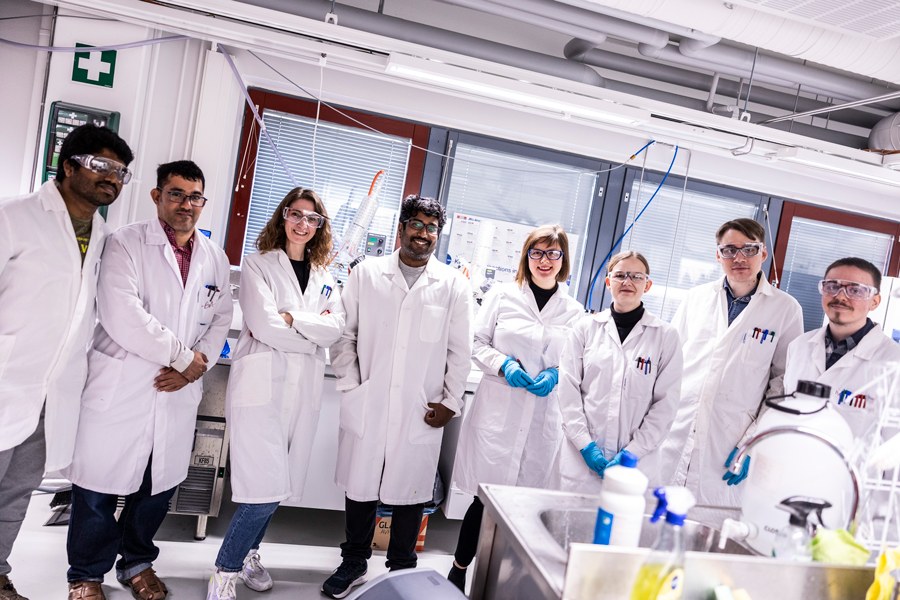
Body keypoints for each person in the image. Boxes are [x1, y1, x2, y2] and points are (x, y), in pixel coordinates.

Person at [64, 161, 232, 600]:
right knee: (97, 490)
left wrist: (199, 362)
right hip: (124, 386)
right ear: (156, 196)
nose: (186, 204)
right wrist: (183, 359)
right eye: (176, 194)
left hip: (177, 391)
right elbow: (123, 314)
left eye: (195, 197)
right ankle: (85, 574)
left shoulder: (215, 257)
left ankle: (137, 562)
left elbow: (221, 319)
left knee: (157, 488)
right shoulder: (125, 243)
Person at [0, 125, 133, 600]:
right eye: (101, 166)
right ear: (69, 163)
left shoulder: (101, 234)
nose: (112, 178)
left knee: (16, 493)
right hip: (6, 380)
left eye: (120, 172)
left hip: (51, 390)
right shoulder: (15, 217)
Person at [322, 195, 473, 599]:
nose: (423, 234)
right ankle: (353, 560)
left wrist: (450, 401)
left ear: (437, 235)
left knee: (411, 487)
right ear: (402, 227)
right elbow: (345, 336)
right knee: (361, 483)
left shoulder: (454, 284)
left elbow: (461, 351)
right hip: (369, 396)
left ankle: (402, 567)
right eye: (416, 225)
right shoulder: (366, 274)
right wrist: (353, 387)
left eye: (431, 228)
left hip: (421, 404)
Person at [206, 188, 345, 600]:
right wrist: (310, 334)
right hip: (261, 389)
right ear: (283, 217)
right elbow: (264, 326)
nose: (303, 224)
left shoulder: (325, 277)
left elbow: (336, 328)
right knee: (263, 490)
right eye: (296, 214)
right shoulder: (257, 265)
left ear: (320, 226)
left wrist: (294, 320)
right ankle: (223, 573)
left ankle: (250, 554)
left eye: (312, 218)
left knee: (278, 486)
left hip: (300, 392)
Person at [447, 225, 584, 591]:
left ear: (563, 260)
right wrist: (503, 364)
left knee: (524, 507)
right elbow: (475, 342)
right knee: (484, 499)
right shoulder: (503, 295)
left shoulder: (573, 309)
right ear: (526, 257)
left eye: (553, 254)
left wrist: (557, 372)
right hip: (499, 412)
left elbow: (578, 360)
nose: (544, 261)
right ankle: (458, 570)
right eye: (536, 253)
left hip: (542, 417)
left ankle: (507, 581)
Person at [658, 218, 803, 509]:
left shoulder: (785, 309)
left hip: (731, 441)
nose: (739, 258)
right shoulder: (696, 298)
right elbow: (669, 364)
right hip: (677, 430)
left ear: (763, 253)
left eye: (749, 249)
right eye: (729, 250)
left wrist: (755, 442)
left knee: (709, 532)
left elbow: (783, 386)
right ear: (718, 255)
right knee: (656, 522)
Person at [557, 250, 682, 494]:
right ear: (608, 282)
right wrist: (585, 445)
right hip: (581, 460)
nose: (627, 282)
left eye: (636, 276)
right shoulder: (585, 328)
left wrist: (632, 453)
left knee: (623, 529)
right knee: (570, 529)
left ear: (648, 284)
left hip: (636, 465)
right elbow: (568, 390)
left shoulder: (665, 336)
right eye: (620, 275)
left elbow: (666, 405)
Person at [783, 257, 900, 440]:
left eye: (855, 290)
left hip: (850, 469)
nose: (840, 296)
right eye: (832, 286)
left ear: (875, 302)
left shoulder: (894, 361)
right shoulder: (799, 346)